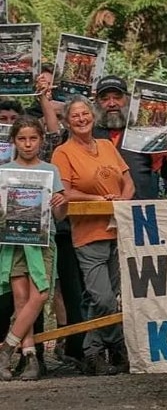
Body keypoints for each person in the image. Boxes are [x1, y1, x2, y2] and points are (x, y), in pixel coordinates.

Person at [51, 95, 135, 375]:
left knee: (101, 298)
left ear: (93, 115)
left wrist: (121, 200)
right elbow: (64, 192)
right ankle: (117, 345)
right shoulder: (63, 153)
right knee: (103, 299)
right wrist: (97, 199)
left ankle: (92, 354)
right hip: (88, 234)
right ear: (66, 121)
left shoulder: (107, 145)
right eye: (74, 115)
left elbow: (129, 182)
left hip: (117, 231)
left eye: (85, 113)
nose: (81, 119)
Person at [0, 117, 68, 381]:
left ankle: (6, 348)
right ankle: (30, 359)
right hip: (13, 241)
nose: (28, 144)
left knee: (40, 294)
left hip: (43, 240)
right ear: (14, 141)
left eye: (33, 139)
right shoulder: (4, 172)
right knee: (20, 299)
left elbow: (61, 215)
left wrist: (61, 201)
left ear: (41, 140)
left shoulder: (51, 170)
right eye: (22, 139)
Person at [91, 75, 157, 199]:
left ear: (128, 100)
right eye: (104, 99)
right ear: (97, 103)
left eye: (117, 98)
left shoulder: (144, 132)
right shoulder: (89, 134)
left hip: (139, 211)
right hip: (100, 211)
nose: (111, 104)